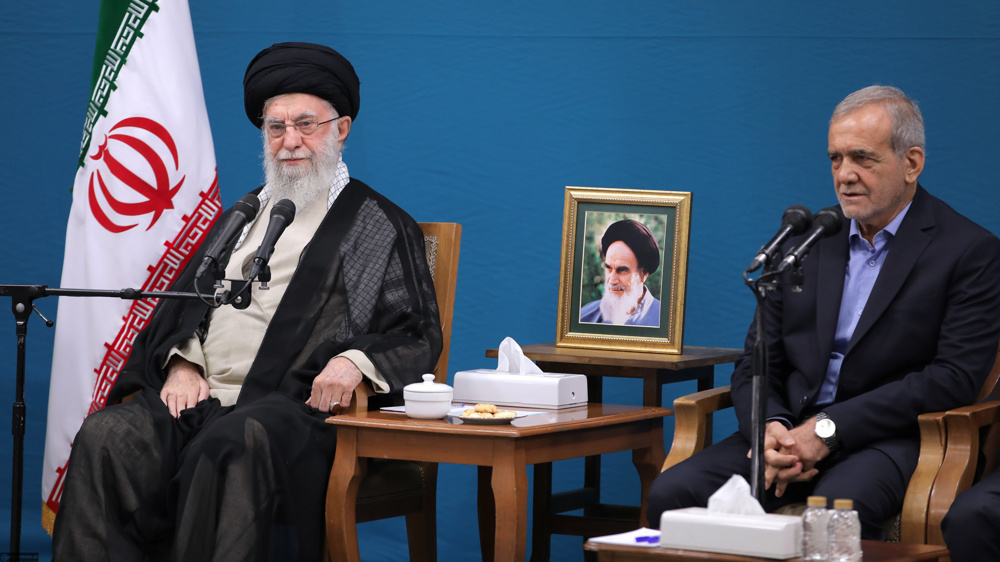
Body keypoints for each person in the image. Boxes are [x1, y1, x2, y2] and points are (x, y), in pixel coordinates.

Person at [51, 42, 442, 561]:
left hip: (293, 410)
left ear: (341, 129)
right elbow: (182, 305)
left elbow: (415, 332)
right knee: (107, 437)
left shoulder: (372, 224)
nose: (290, 142)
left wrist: (353, 362)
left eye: (307, 124)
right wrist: (182, 362)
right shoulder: (243, 214)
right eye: (276, 127)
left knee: (230, 446)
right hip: (199, 400)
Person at [646, 85, 1000, 540]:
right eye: (835, 159)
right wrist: (769, 428)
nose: (845, 175)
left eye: (862, 158)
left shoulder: (968, 251)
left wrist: (829, 429)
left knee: (836, 514)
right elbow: (756, 362)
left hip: (886, 438)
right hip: (787, 430)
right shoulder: (806, 242)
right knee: (674, 492)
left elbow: (951, 378)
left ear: (912, 163)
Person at [579, 218, 662, 326]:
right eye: (609, 268)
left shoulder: (664, 320)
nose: (612, 281)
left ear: (643, 274)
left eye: (622, 270)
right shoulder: (585, 315)